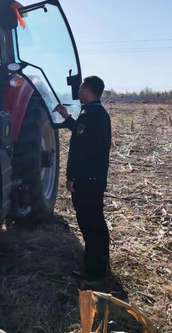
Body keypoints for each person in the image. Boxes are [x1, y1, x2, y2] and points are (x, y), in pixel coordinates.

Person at [54, 76, 112, 284]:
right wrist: (67, 117)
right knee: (97, 219)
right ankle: (102, 260)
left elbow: (78, 150)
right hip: (96, 177)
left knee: (89, 223)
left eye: (80, 87)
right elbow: (82, 134)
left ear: (88, 89)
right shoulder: (98, 113)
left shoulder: (89, 115)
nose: (78, 90)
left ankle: (93, 272)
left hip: (86, 179)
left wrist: (71, 177)